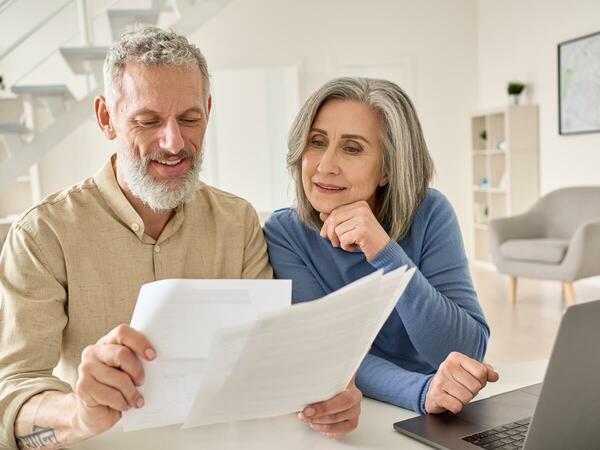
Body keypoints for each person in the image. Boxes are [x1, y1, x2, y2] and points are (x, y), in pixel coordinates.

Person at [0, 27, 355, 450]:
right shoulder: (43, 234)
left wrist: (328, 390)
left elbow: (268, 358)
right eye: (147, 121)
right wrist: (77, 413)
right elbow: (13, 397)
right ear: (106, 118)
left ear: (208, 109)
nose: (173, 143)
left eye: (190, 119)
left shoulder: (237, 221)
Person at [264, 77, 499, 420]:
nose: (325, 165)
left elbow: (466, 349)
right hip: (351, 410)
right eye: (317, 142)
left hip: (435, 409)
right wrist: (420, 392)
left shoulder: (430, 213)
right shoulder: (285, 233)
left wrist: (386, 254)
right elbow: (329, 352)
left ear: (388, 168)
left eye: (352, 148)